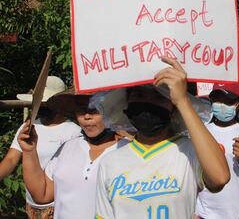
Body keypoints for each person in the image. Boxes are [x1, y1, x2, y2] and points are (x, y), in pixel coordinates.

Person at [94, 56, 230, 218]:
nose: (147, 102)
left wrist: (183, 101)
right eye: (139, 95)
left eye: (158, 96)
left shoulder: (189, 152)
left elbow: (220, 178)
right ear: (126, 103)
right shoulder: (110, 162)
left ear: (172, 106)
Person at [17, 89, 129, 219]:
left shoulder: (127, 151)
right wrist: (29, 151)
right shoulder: (67, 148)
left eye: (95, 109)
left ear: (112, 110)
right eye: (81, 110)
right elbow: (42, 194)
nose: (87, 116)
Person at [0, 76, 80, 219]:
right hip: (32, 204)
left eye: (42, 103)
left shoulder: (73, 132)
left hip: (58, 205)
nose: (38, 107)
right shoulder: (30, 126)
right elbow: (11, 159)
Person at [195, 83, 239, 219]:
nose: (221, 105)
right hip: (203, 213)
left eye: (227, 101)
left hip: (235, 212)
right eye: (217, 100)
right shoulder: (200, 131)